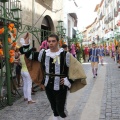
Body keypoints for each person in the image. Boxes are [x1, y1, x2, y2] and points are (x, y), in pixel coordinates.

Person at [19, 34, 87, 120]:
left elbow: (77, 69)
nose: (51, 43)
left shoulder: (65, 55)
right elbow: (29, 55)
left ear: (58, 42)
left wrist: (69, 80)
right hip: (48, 85)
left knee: (60, 109)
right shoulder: (43, 54)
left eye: (53, 41)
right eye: (49, 41)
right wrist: (26, 44)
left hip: (61, 86)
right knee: (54, 107)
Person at [20, 33, 36, 104]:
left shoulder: (21, 55)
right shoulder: (28, 55)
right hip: (28, 71)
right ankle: (29, 100)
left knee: (25, 84)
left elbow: (23, 47)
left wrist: (25, 39)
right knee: (29, 85)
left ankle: (25, 97)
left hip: (22, 71)